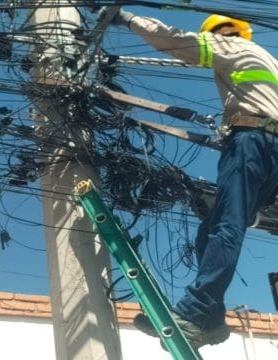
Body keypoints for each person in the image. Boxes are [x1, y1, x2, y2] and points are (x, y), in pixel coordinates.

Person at [105, 9, 278, 349]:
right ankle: (211, 320)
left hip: (253, 143)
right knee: (211, 229)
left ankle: (196, 311)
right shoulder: (270, 62)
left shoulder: (231, 47)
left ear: (223, 33)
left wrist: (124, 18)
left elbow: (175, 41)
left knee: (224, 227)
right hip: (271, 150)